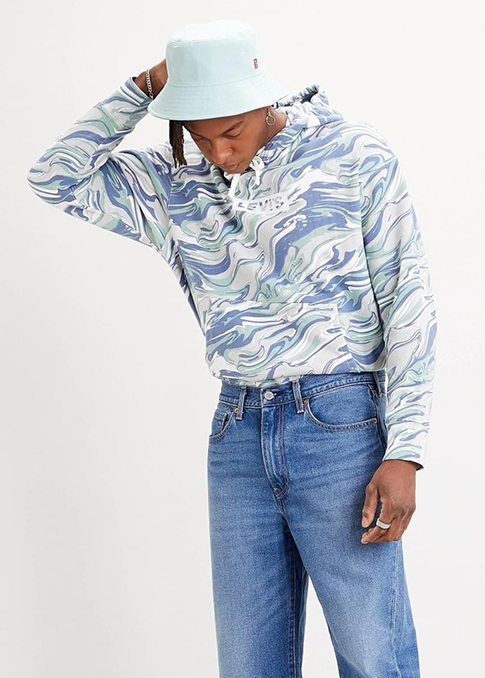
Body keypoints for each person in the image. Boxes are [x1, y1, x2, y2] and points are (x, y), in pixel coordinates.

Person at [27, 18, 437, 678]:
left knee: (373, 656)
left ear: (262, 98)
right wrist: (146, 87)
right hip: (236, 431)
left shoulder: (353, 154)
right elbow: (55, 178)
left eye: (232, 131)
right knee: (248, 663)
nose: (219, 152)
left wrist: (405, 449)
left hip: (338, 423)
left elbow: (407, 301)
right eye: (199, 135)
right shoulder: (173, 182)